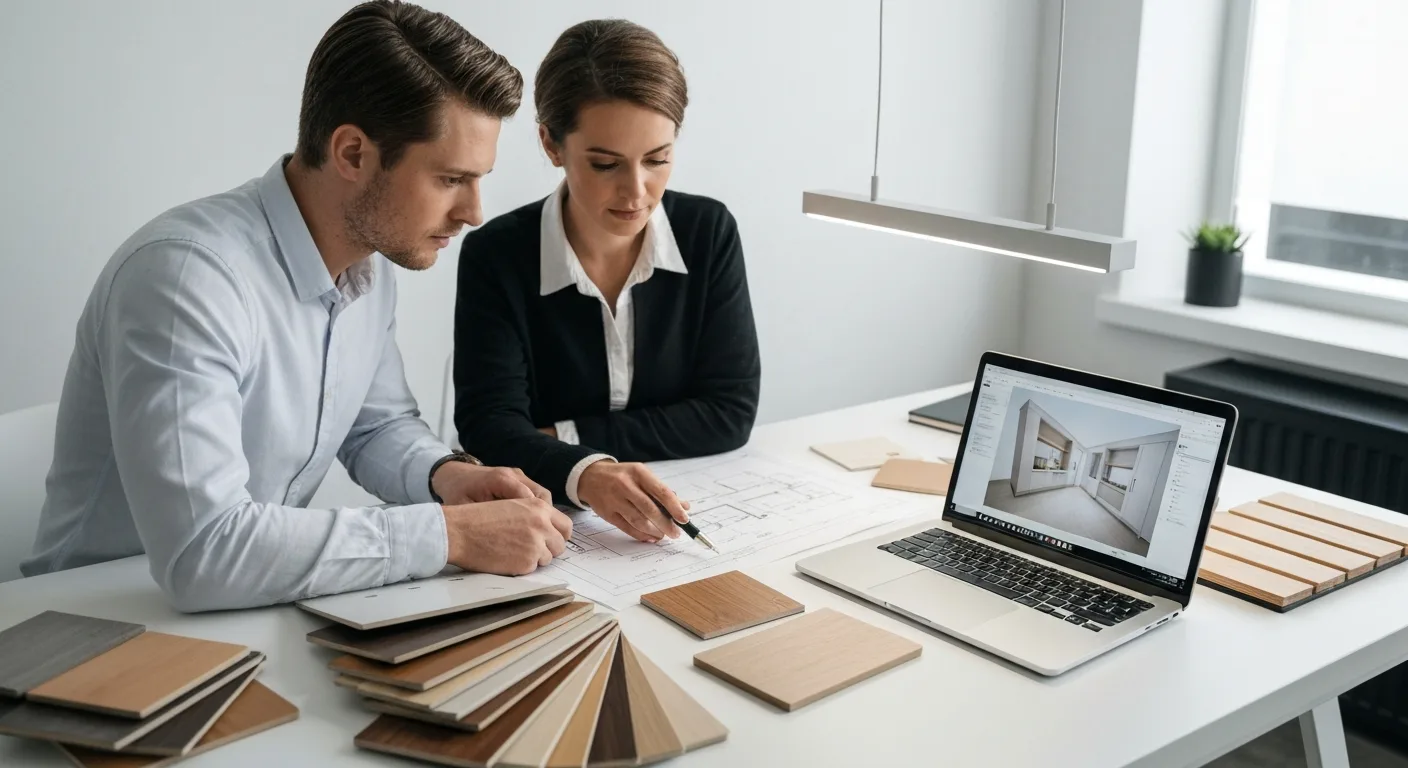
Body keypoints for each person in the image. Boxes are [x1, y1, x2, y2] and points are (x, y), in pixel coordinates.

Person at [21, 0, 575, 611]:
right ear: (353, 154)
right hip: (93, 625)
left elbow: (376, 426)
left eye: (479, 180)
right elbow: (205, 552)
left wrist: (447, 478)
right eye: (450, 179)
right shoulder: (184, 279)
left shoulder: (368, 260)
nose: (474, 212)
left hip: (249, 609)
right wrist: (448, 534)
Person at [453, 19, 762, 545]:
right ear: (551, 144)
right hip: (556, 526)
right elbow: (490, 430)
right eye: (605, 164)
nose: (636, 191)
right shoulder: (497, 254)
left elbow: (729, 412)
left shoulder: (708, 232)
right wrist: (588, 471)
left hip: (689, 504)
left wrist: (564, 438)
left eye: (658, 159)